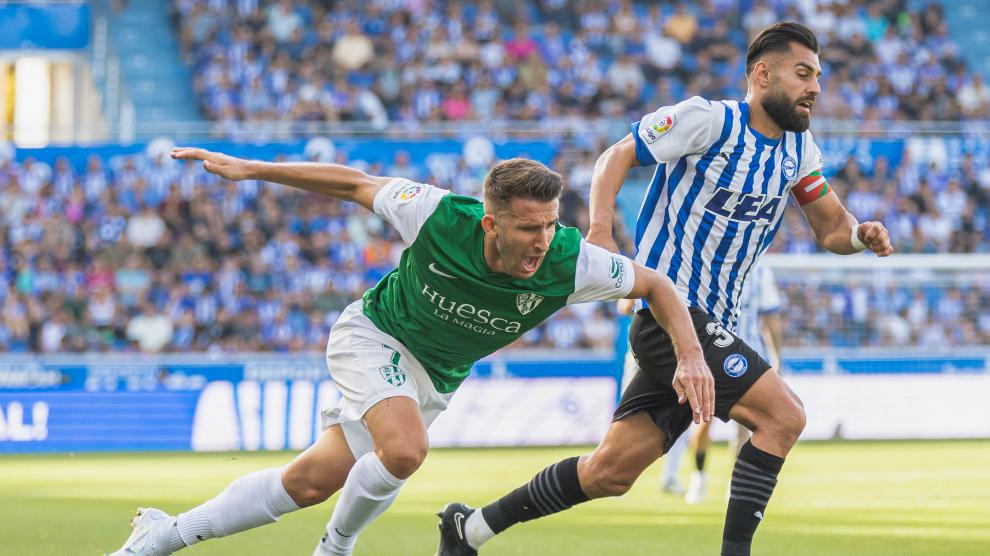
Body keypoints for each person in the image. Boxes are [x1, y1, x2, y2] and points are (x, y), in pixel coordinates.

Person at [107, 149, 712, 556]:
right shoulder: (437, 215)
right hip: (375, 337)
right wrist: (249, 169)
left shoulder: (570, 260)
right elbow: (352, 182)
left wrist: (689, 356)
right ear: (490, 223)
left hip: (434, 377)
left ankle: (166, 535)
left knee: (312, 481)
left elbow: (657, 285)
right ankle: (335, 551)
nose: (543, 240)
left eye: (552, 224)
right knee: (404, 450)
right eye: (530, 227)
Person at [436, 21, 893, 556]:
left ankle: (469, 530)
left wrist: (861, 236)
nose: (814, 86)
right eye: (802, 73)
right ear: (762, 73)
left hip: (708, 328)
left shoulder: (798, 151)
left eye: (818, 75)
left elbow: (832, 228)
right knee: (783, 416)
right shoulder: (709, 121)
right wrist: (601, 232)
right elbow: (615, 157)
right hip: (670, 314)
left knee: (610, 471)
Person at [685, 263, 783, 504]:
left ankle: (734, 483)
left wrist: (777, 357)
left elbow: (771, 316)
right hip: (711, 355)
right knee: (703, 421)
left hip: (749, 357)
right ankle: (699, 476)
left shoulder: (761, 271)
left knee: (744, 427)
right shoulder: (712, 263)